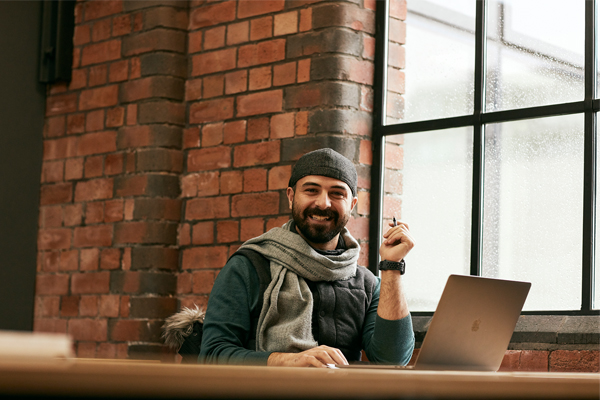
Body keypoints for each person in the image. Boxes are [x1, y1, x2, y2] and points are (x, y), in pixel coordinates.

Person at [199, 148, 415, 367]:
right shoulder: (247, 267)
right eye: (311, 190)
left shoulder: (368, 284)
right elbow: (212, 355)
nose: (323, 203)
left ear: (352, 205)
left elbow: (393, 360)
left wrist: (392, 267)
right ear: (291, 197)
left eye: (337, 193)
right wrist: (287, 360)